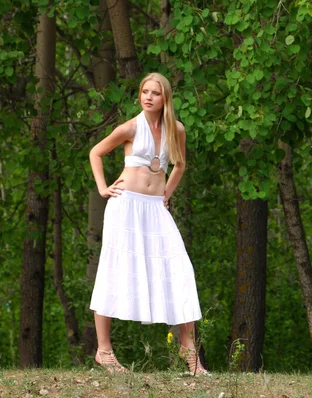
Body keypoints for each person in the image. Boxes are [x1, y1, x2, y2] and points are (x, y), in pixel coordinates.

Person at [89, 72, 207, 375]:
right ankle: (104, 351)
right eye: (144, 91)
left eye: (154, 92)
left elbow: (179, 164)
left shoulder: (175, 129)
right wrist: (103, 189)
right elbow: (96, 153)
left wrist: (166, 194)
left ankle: (188, 350)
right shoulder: (130, 127)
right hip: (125, 206)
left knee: (179, 269)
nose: (148, 97)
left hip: (155, 208)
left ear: (164, 97)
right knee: (114, 271)